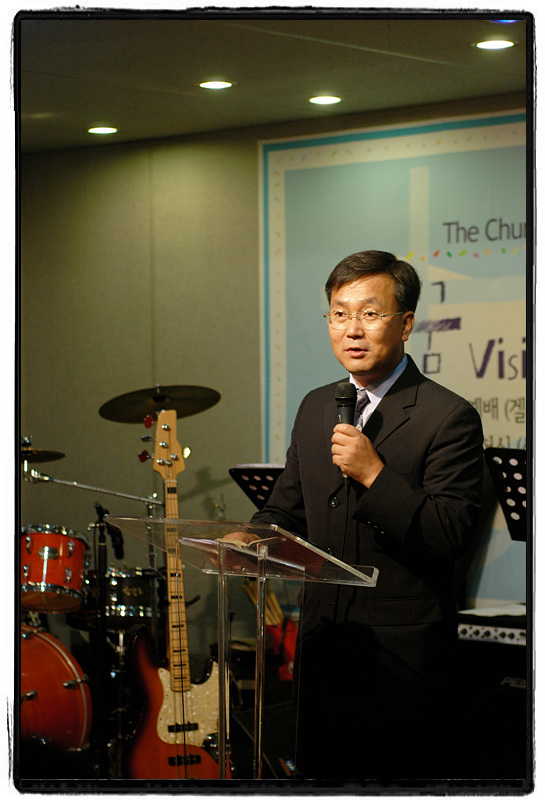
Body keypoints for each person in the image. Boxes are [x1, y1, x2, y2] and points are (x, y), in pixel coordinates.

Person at [228, 250, 484, 781]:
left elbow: (451, 533)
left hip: (402, 657)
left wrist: (374, 474)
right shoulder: (316, 406)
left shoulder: (448, 415)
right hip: (324, 645)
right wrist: (252, 537)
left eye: (370, 314)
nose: (352, 330)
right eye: (340, 314)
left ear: (405, 324)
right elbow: (287, 506)